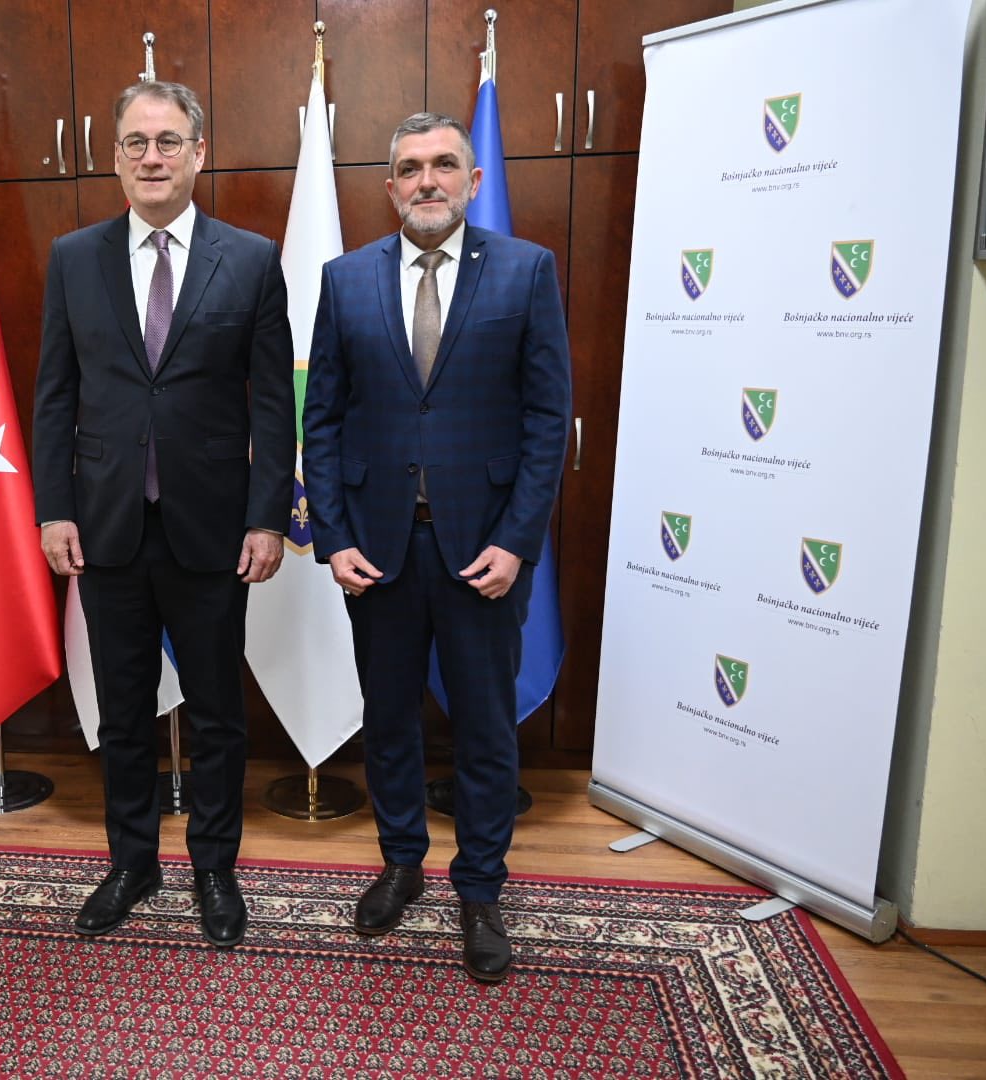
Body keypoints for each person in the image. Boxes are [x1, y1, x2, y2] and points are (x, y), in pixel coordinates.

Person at [302, 112, 571, 982]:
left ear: (472, 180)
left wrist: (517, 542)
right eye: (411, 168)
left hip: (482, 552)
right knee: (389, 720)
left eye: (445, 164)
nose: (428, 180)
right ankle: (401, 864)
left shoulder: (526, 270)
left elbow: (546, 420)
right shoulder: (345, 279)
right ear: (390, 187)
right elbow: (322, 420)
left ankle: (481, 889)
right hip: (376, 549)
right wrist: (333, 537)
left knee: (484, 727)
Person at [32, 80, 295, 948]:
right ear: (114, 157)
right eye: (137, 143)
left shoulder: (250, 259)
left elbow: (272, 406)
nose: (153, 157)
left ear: (198, 153)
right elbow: (54, 395)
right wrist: (53, 509)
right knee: (122, 711)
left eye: (169, 141)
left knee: (218, 711)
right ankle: (132, 862)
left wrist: (267, 517)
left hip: (213, 530)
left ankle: (214, 867)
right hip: (106, 526)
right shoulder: (74, 258)